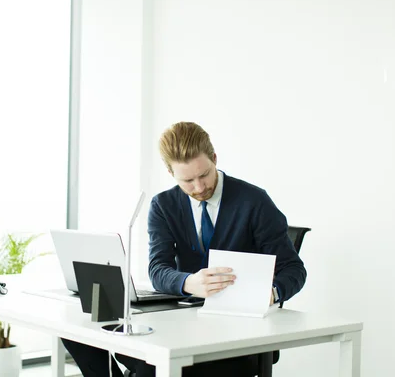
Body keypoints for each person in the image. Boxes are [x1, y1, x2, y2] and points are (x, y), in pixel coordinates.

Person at [62, 121, 307, 377]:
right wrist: (189, 282)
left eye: (204, 175)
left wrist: (269, 293)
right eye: (188, 180)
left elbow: (293, 269)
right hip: (179, 325)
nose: (199, 188)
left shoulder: (254, 201)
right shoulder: (164, 205)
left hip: (236, 335)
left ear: (214, 158)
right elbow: (158, 269)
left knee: (151, 367)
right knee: (77, 334)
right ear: (170, 172)